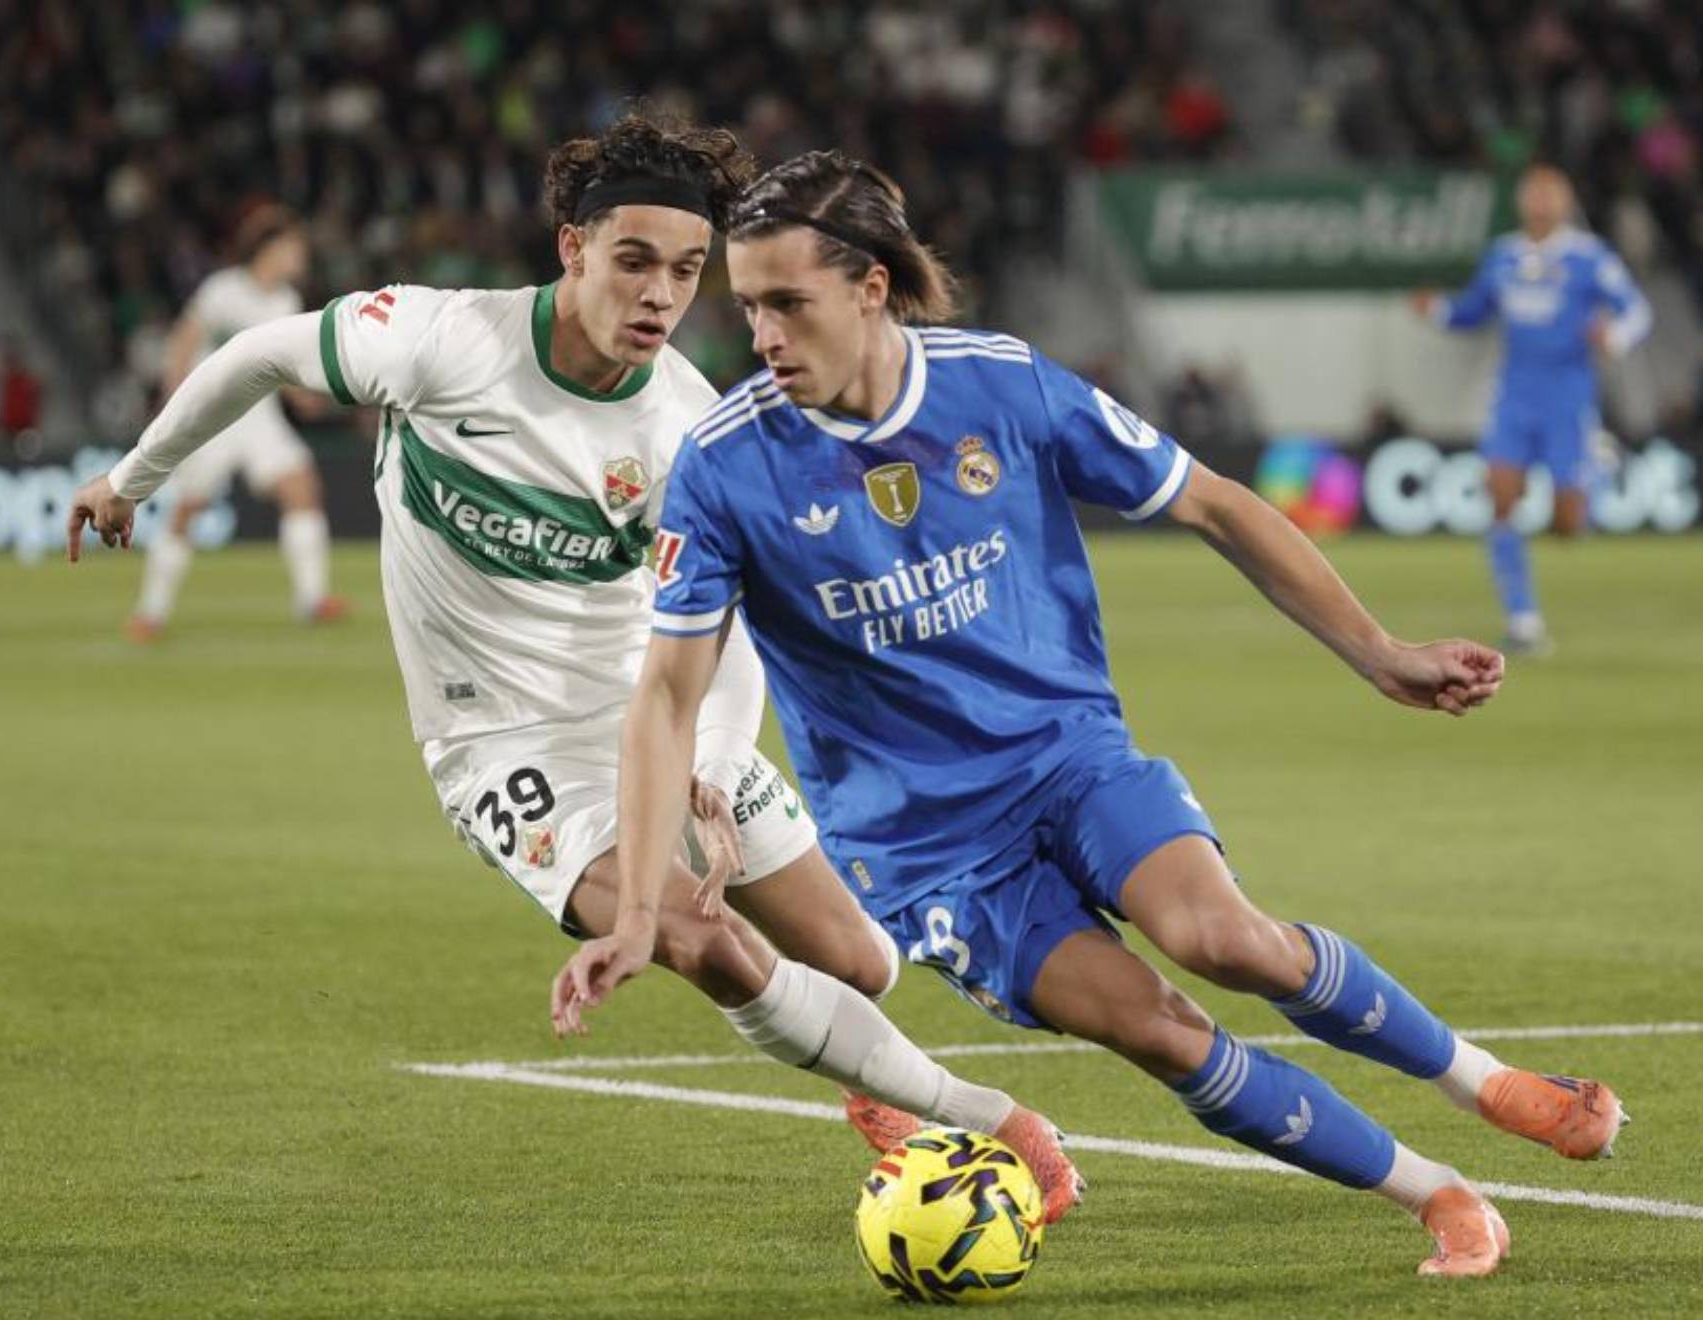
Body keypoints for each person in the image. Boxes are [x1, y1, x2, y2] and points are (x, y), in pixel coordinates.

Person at [560, 150, 1630, 1279]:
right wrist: (637, 912)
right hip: (928, 851)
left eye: (790, 304)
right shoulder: (726, 466)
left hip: (1068, 757)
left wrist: (1380, 653)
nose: (763, 337)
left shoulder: (1002, 386)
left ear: (871, 287)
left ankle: (1488, 1082)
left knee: (1227, 939)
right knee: (1158, 1027)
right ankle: (1440, 1196)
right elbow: (666, 695)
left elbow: (1212, 502)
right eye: (750, 308)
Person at [66, 115, 1078, 1217]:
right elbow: (259, 353)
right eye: (633, 261)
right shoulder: (441, 342)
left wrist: (715, 759)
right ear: (573, 251)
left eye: (688, 272)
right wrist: (134, 478)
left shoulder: (694, 430)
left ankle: (864, 1080)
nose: (658, 295)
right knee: (700, 941)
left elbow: (728, 625)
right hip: (501, 741)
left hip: (652, 714)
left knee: (858, 962)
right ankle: (989, 1121)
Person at [1412, 163, 1651, 654]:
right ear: (1522, 201)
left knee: (1567, 525)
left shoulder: (1589, 257)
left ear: (1565, 202)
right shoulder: (1503, 256)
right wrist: (1437, 309)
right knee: (1499, 497)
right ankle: (1523, 619)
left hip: (1569, 396)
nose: (1540, 202)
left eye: (1550, 193)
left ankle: (1599, 466)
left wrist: (1616, 336)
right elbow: (1474, 311)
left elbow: (1636, 309)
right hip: (1515, 395)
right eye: (1533, 193)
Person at [126, 204, 346, 641]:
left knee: (301, 487)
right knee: (189, 508)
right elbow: (184, 341)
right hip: (212, 413)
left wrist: (307, 398)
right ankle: (150, 613)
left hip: (258, 414)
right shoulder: (223, 290)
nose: (301, 258)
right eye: (294, 248)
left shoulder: (287, 301)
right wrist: (175, 408)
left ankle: (313, 599)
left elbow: (281, 366)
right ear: (271, 249)